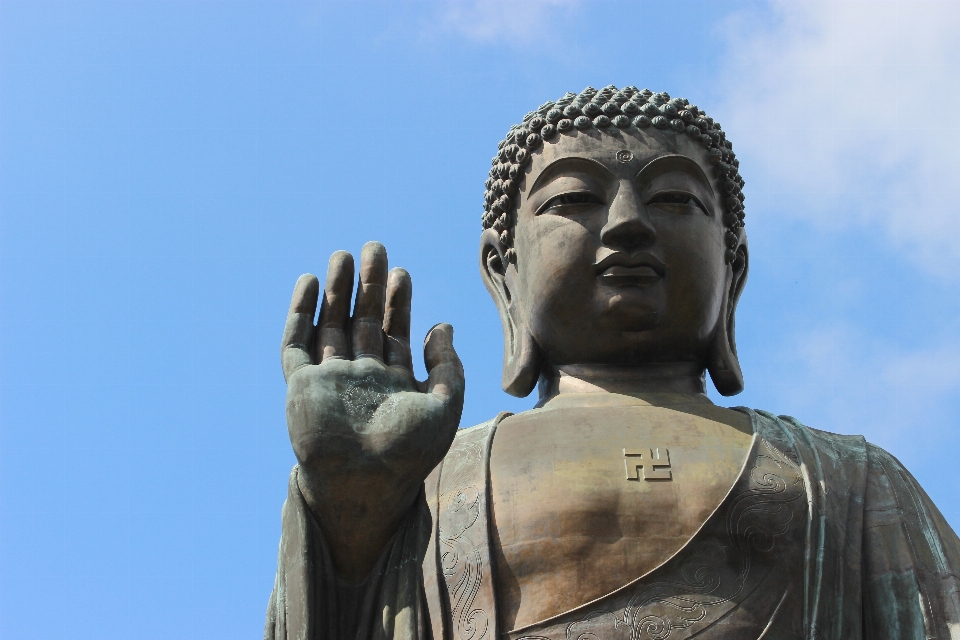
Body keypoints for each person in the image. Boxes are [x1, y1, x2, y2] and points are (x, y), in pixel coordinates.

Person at [264, 86, 960, 640]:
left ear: (733, 265)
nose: (628, 222)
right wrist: (349, 516)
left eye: (674, 199)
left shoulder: (847, 482)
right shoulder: (430, 480)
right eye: (572, 200)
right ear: (503, 272)